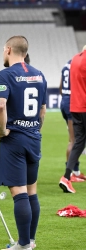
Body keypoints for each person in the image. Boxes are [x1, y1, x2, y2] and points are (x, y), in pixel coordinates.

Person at [0, 36, 47, 250]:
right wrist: (35, 130)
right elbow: (42, 110)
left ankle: (23, 244)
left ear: (8, 49)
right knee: (32, 191)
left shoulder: (5, 74)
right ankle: (31, 240)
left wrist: (1, 131)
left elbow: (0, 107)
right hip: (34, 137)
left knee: (19, 193)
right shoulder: (40, 75)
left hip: (14, 139)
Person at [59, 45, 86, 193]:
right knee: (76, 142)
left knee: (78, 142)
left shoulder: (74, 59)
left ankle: (67, 176)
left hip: (75, 106)